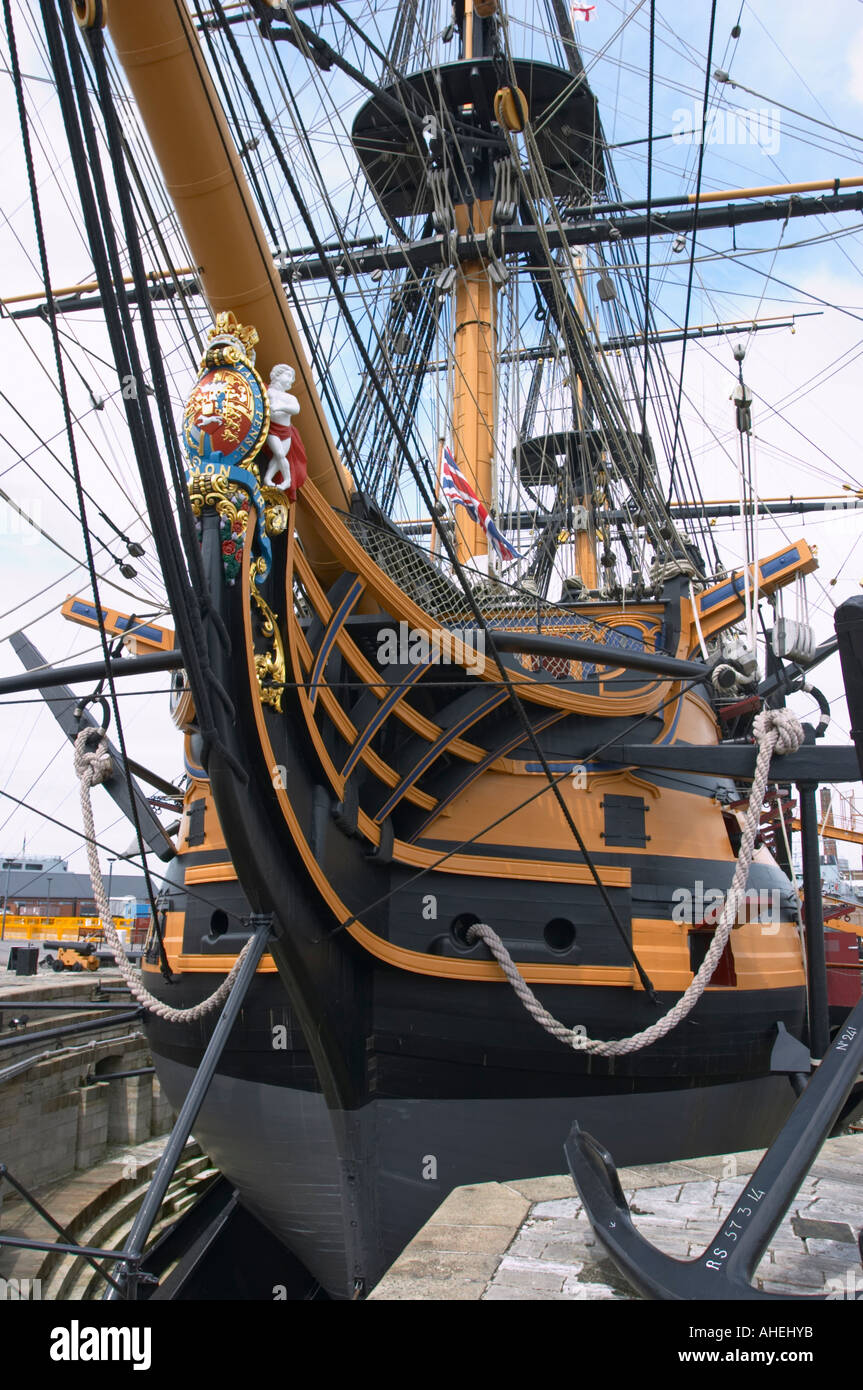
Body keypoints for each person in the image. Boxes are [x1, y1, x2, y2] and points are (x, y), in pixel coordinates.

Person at [262, 363, 308, 501]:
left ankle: (270, 479)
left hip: (286, 432)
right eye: (288, 376)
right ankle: (280, 479)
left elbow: (296, 409)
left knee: (278, 458)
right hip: (273, 429)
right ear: (277, 374)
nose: (291, 380)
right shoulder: (268, 391)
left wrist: (280, 406)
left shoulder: (290, 398)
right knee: (280, 454)